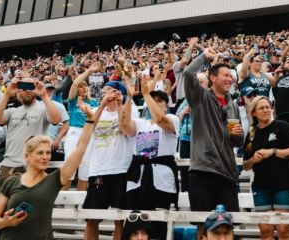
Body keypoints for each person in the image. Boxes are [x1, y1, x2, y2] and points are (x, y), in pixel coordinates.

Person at [0, 98, 102, 240]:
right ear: (27, 156)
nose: (45, 157)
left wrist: (90, 122)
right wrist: (4, 222)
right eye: (40, 153)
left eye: (48, 152)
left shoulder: (53, 180)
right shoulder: (11, 182)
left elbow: (80, 150)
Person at [183, 45, 243, 237]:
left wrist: (237, 136)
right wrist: (204, 57)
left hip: (227, 173)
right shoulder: (200, 98)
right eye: (225, 75)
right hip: (203, 171)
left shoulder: (233, 106)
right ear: (212, 78)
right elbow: (188, 73)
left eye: (231, 76)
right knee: (202, 227)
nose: (230, 78)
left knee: (228, 226)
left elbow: (237, 142)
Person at [121, 71, 180, 240]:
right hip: (137, 179)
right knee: (136, 227)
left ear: (166, 105)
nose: (155, 103)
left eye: (159, 100)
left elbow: (161, 120)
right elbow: (125, 126)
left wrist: (147, 93)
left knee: (158, 229)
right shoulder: (141, 123)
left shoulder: (172, 118)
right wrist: (130, 97)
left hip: (162, 181)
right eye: (153, 100)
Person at [83, 82, 137, 240]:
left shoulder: (129, 110)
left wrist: (121, 105)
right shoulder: (95, 111)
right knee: (92, 218)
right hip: (99, 169)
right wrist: (102, 105)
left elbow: (125, 130)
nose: (107, 94)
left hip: (121, 169)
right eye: (105, 91)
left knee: (119, 218)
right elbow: (89, 128)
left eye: (112, 91)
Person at [0, 77, 61, 198]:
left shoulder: (43, 109)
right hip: (8, 165)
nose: (27, 91)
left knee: (26, 210)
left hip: (31, 167)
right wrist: (7, 94)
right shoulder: (12, 111)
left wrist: (44, 95)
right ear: (18, 91)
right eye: (23, 88)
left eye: (31, 87)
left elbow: (56, 119)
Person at [243, 96, 289, 240]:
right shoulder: (251, 134)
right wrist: (253, 159)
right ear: (253, 113)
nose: (266, 110)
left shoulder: (282, 126)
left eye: (268, 107)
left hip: (285, 186)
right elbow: (245, 165)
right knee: (265, 231)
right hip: (261, 187)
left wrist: (273, 152)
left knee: (283, 229)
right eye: (261, 108)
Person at [63, 63, 100, 190]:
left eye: (85, 86)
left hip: (89, 133)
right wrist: (89, 71)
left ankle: (79, 204)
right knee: (70, 166)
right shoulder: (73, 102)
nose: (83, 88)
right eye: (81, 86)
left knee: (85, 168)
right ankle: (64, 200)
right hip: (74, 133)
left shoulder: (94, 102)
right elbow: (74, 83)